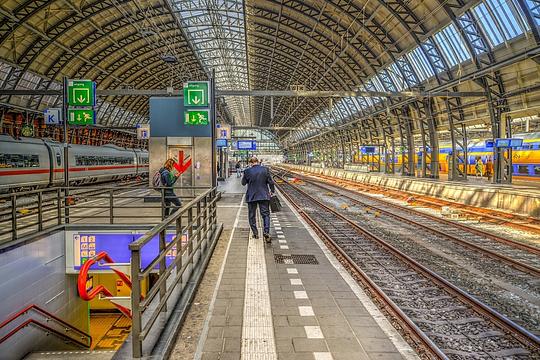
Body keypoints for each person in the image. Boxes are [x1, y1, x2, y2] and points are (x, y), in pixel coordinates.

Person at [242, 156, 275, 243]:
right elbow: (271, 182)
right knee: (265, 214)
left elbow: (243, 183)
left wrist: (246, 176)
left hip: (251, 196)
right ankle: (266, 232)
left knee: (252, 215)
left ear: (250, 163)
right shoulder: (265, 169)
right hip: (264, 195)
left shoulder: (247, 171)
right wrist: (272, 191)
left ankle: (255, 233)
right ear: (258, 162)